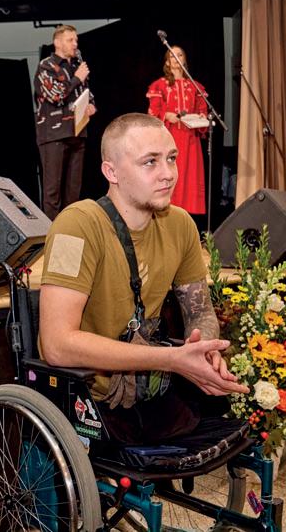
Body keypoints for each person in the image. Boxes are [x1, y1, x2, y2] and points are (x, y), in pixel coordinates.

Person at [38, 113, 246, 444]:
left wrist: (202, 349)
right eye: (150, 162)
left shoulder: (180, 224)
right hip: (90, 400)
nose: (168, 173)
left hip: (149, 394)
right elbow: (57, 345)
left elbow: (200, 312)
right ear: (111, 172)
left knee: (235, 419)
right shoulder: (76, 225)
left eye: (171, 158)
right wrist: (172, 360)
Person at [34, 24, 96, 219]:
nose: (75, 44)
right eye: (70, 40)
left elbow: (86, 94)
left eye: (76, 40)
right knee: (52, 191)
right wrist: (77, 78)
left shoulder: (77, 66)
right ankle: (51, 232)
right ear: (57, 42)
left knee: (73, 192)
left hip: (77, 132)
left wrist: (91, 105)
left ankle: (70, 230)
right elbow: (56, 95)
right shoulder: (46, 66)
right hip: (54, 134)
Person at [146, 46, 208, 215]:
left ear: (184, 59)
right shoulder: (159, 86)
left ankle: (186, 221)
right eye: (172, 55)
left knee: (190, 179)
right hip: (170, 139)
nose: (176, 58)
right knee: (171, 176)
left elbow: (203, 112)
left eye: (180, 54)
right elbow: (152, 114)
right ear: (167, 62)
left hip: (190, 141)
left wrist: (200, 118)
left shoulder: (195, 87)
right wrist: (166, 115)